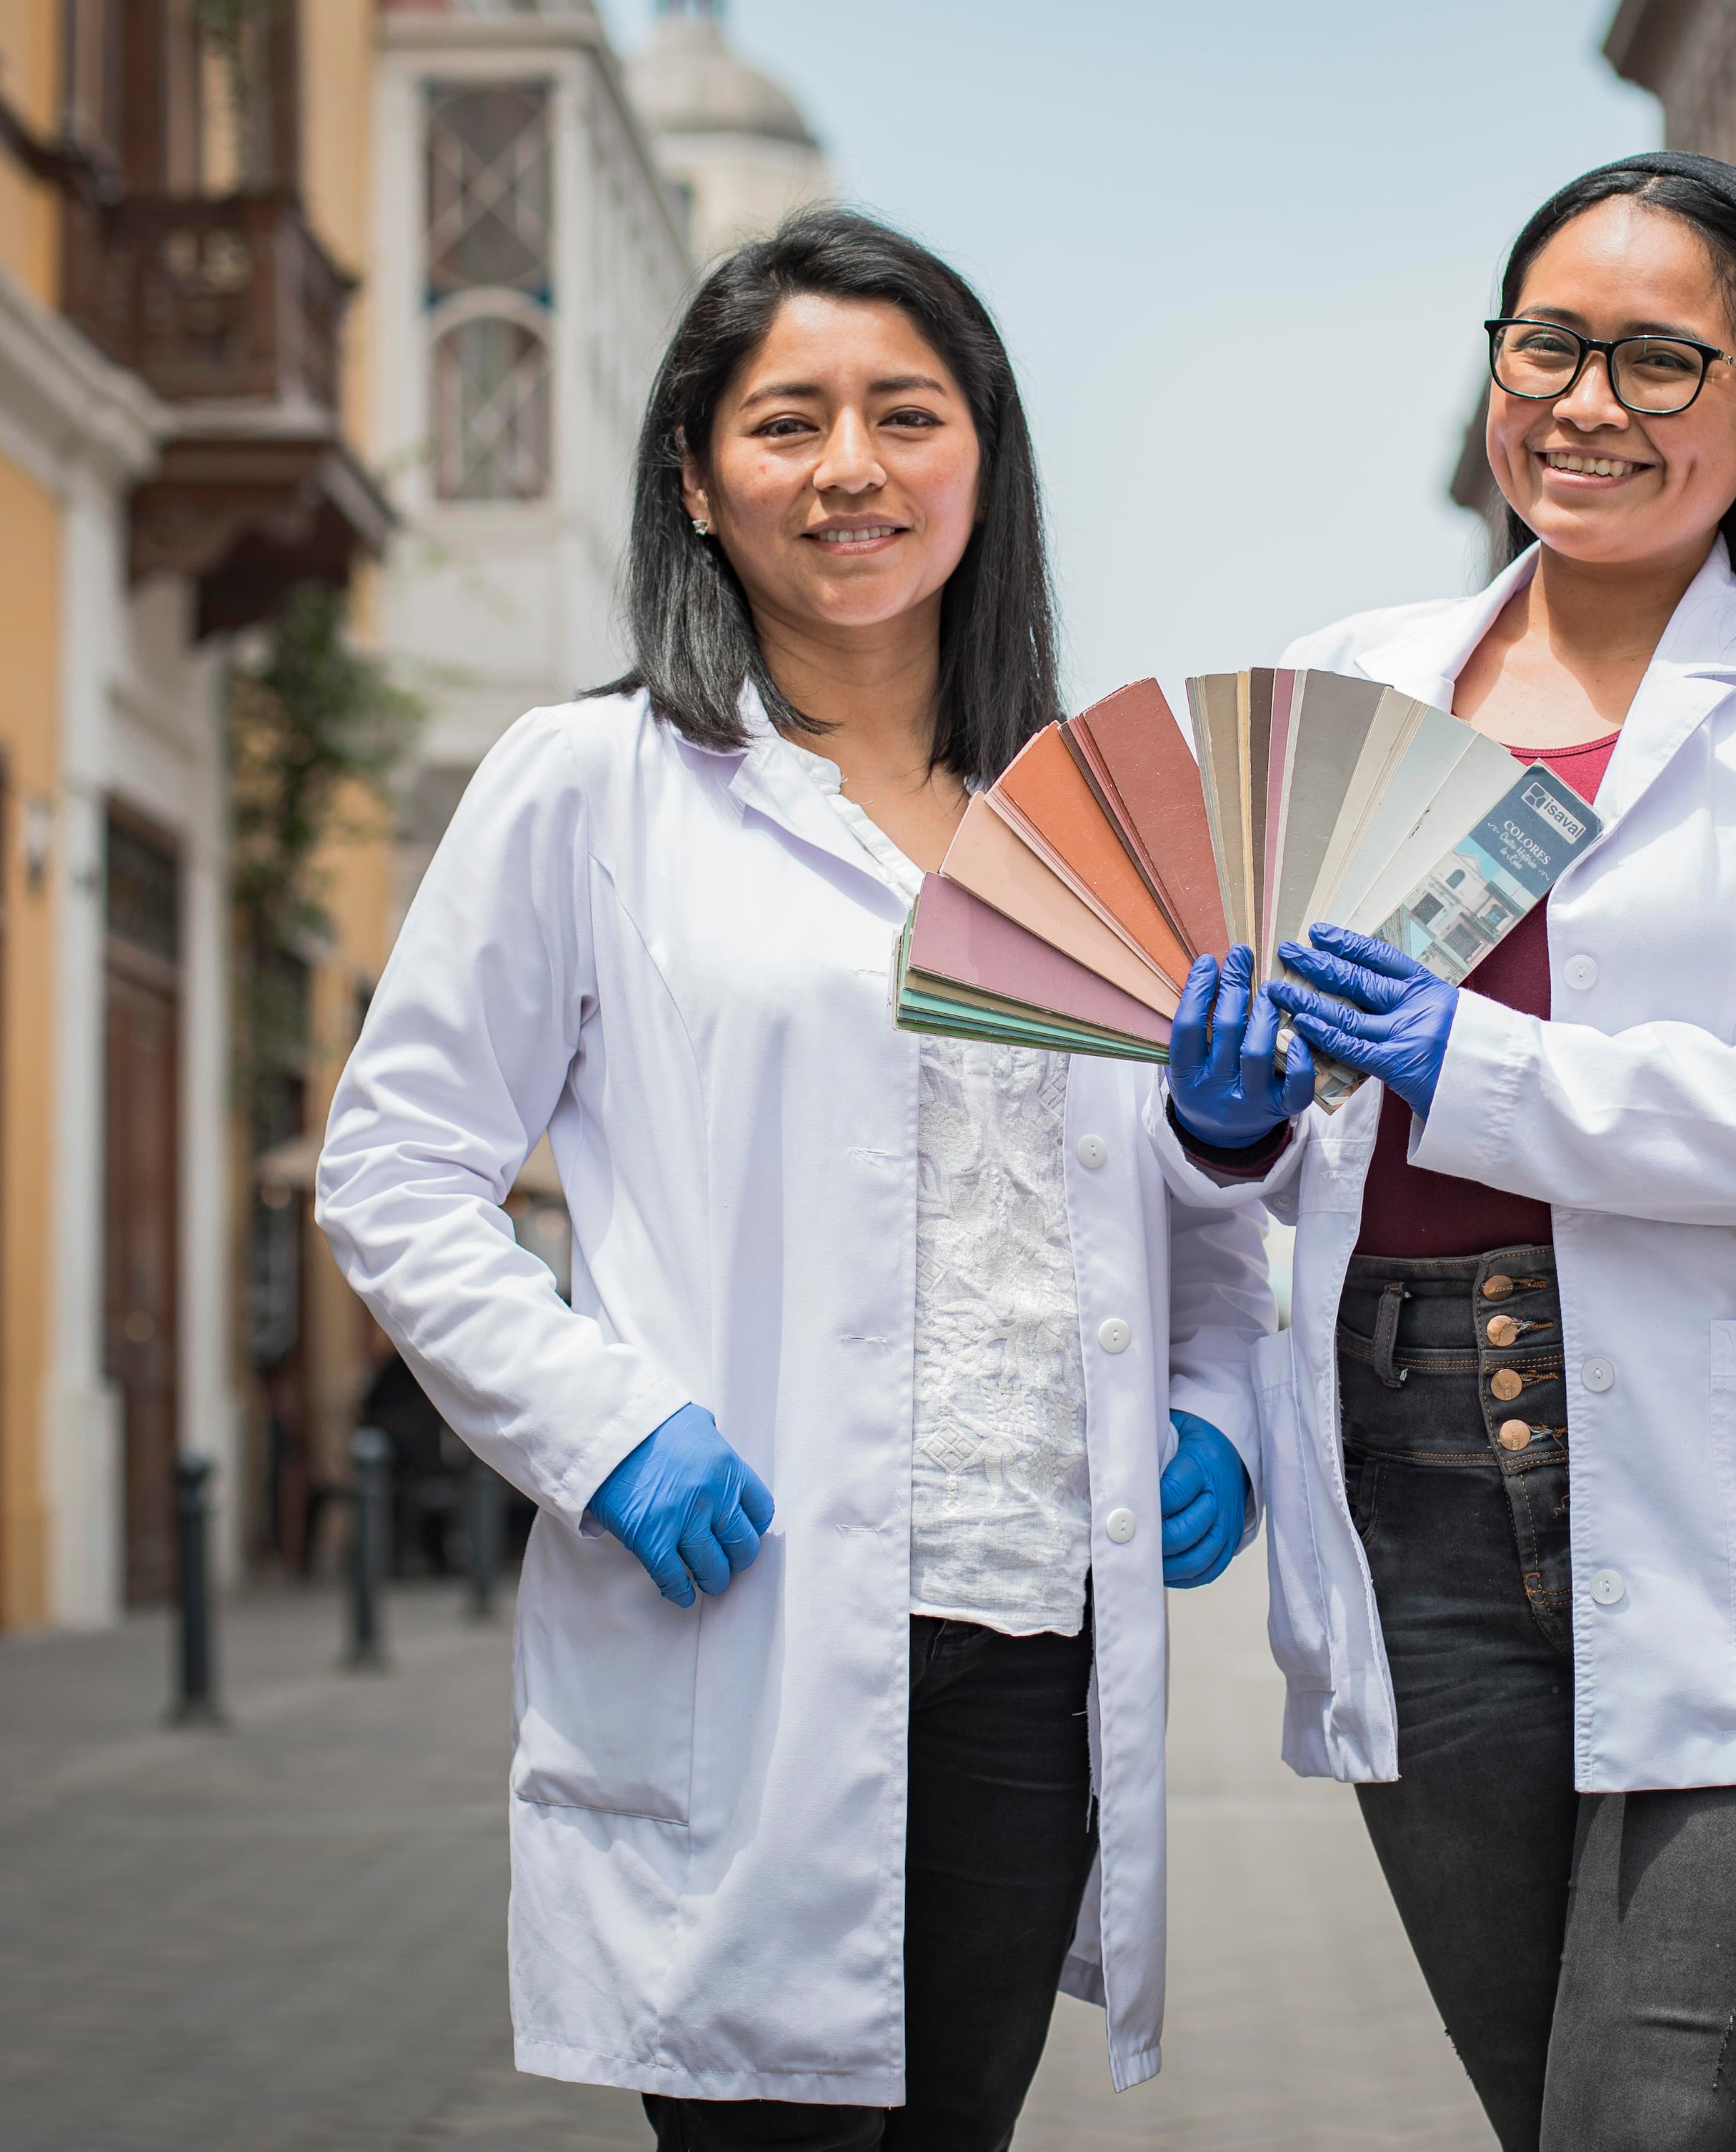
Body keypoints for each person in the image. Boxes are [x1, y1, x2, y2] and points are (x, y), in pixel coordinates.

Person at [315, 213, 1274, 2150]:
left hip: (1032, 1634)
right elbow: (396, 1166)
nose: (852, 466)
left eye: (906, 414)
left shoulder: (1093, 822)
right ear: (697, 470)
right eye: (788, 420)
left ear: (982, 459)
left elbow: (1199, 1236)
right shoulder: (589, 785)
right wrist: (602, 1425)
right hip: (751, 1618)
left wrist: (1216, 1382)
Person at [1162, 154, 1736, 2152]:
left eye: (1657, 357)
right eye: (1547, 341)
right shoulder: (1351, 683)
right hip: (1412, 1488)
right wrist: (1222, 1118)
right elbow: (1257, 1163)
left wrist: (1492, 1063)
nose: (1586, 399)